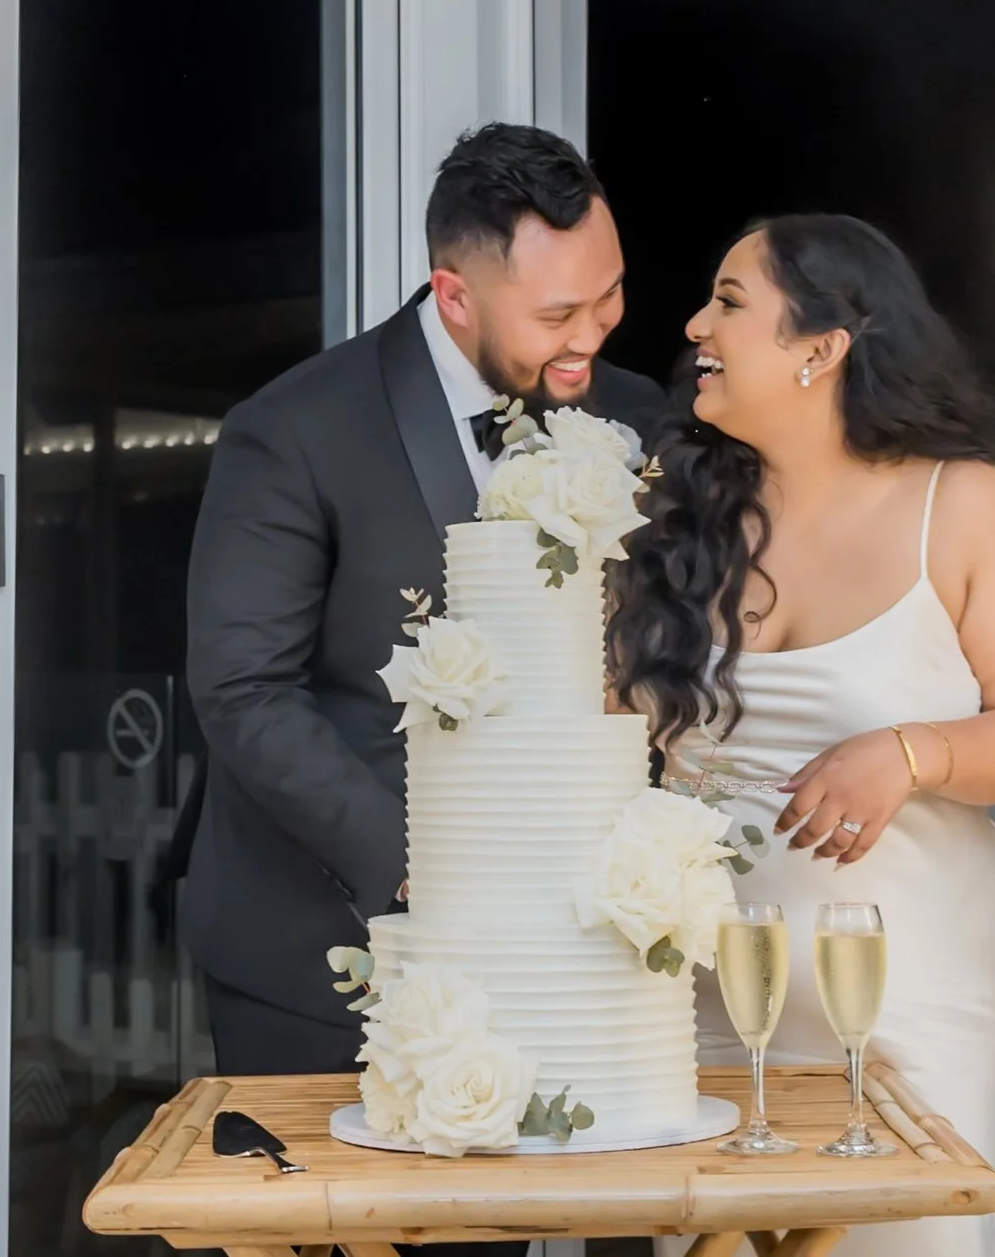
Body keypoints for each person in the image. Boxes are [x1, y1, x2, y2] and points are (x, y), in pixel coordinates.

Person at [610, 214, 995, 1257]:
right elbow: (599, 744)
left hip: (907, 982)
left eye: (729, 301)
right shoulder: (670, 525)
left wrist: (910, 752)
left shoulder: (963, 505)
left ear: (821, 346)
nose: (693, 323)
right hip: (705, 993)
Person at [177, 122, 668, 1078]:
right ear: (453, 293)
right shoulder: (293, 429)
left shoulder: (635, 414)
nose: (591, 337)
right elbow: (244, 689)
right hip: (322, 950)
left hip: (556, 953)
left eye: (609, 296)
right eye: (558, 312)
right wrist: (414, 863)